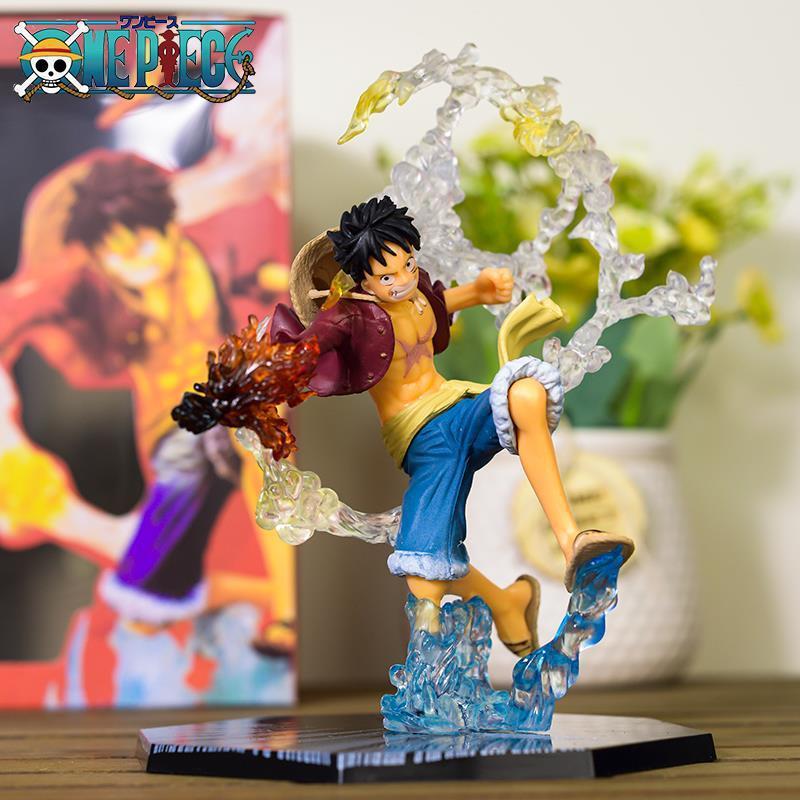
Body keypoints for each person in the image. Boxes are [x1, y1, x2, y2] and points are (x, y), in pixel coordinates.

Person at [178, 196, 634, 657]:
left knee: (526, 394)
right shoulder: (348, 318)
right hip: (422, 437)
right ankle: (479, 626)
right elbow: (307, 350)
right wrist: (247, 385)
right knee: (424, 565)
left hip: (458, 405)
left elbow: (438, 303)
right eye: (386, 277)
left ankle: (572, 540)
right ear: (360, 279)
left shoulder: (416, 295)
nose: (402, 281)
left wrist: (479, 291)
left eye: (408, 265)